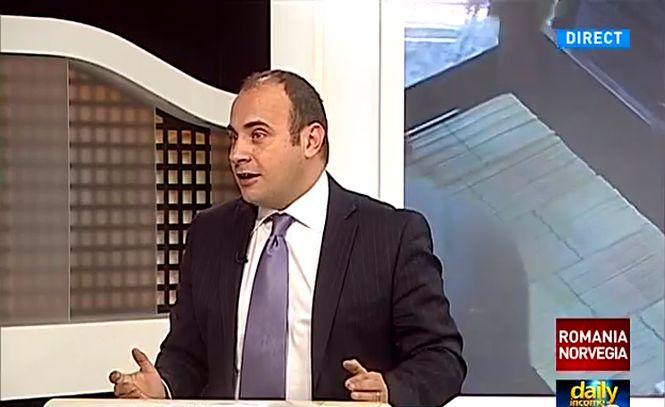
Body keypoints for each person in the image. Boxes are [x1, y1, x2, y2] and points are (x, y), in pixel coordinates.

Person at [109, 70, 466, 406]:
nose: (237, 154)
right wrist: (162, 387)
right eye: (234, 137)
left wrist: (390, 389)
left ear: (311, 140)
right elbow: (188, 356)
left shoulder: (390, 236)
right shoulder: (210, 233)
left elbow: (441, 358)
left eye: (257, 135)